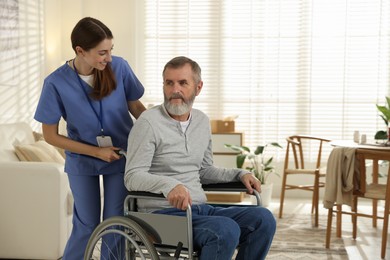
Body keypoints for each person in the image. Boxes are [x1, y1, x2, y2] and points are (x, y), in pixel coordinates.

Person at [124, 56, 276, 260]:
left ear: (198, 87)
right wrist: (169, 185)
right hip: (161, 216)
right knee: (225, 229)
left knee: (263, 219)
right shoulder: (148, 123)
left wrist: (240, 174)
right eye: (169, 83)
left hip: (198, 210)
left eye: (183, 83)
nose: (175, 90)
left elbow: (204, 171)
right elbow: (132, 176)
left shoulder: (202, 121)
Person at [34, 17, 146, 259]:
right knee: (86, 225)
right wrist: (96, 152)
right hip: (82, 160)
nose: (108, 57)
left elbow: (135, 107)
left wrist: (156, 130)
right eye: (102, 52)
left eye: (110, 50)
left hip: (120, 156)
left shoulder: (120, 67)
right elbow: (50, 135)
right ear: (80, 51)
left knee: (115, 223)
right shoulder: (55, 83)